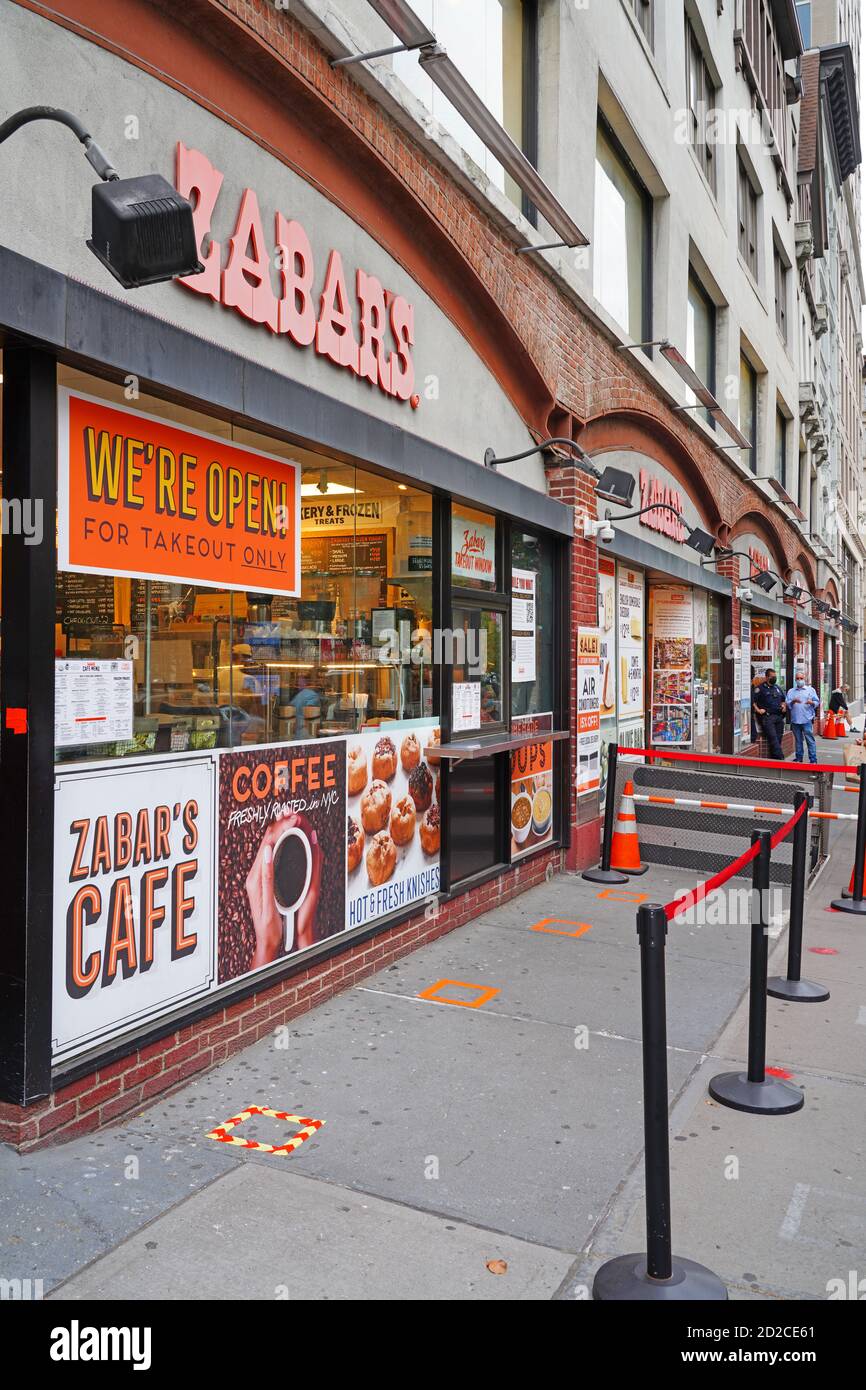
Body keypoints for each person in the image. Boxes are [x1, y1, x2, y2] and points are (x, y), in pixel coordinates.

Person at [786, 668, 819, 764]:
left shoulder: (810, 690)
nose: (799, 680)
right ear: (795, 680)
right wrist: (792, 701)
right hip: (795, 720)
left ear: (804, 679)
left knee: (810, 740)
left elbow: (817, 702)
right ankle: (799, 758)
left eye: (801, 678)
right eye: (797, 678)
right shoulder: (791, 691)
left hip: (807, 720)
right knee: (798, 741)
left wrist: (812, 702)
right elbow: (787, 704)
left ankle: (813, 759)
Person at [753, 668, 786, 759]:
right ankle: (781, 759)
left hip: (778, 716)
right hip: (767, 717)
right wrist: (758, 710)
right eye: (772, 677)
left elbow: (783, 700)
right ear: (767, 677)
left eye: (775, 676)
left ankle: (774, 759)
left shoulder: (777, 688)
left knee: (778, 738)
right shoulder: (760, 688)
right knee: (773, 738)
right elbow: (753, 702)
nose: (774, 678)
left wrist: (783, 706)